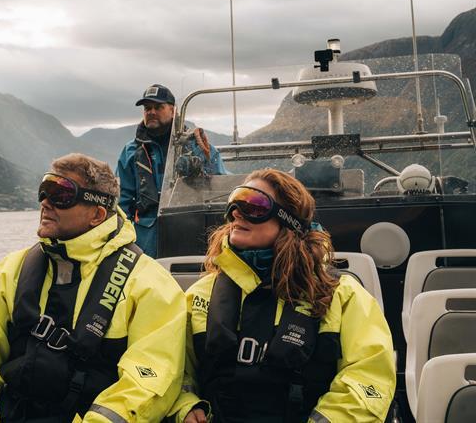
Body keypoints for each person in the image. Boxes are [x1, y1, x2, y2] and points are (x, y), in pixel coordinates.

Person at [0, 153, 187, 422]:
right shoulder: (12, 271)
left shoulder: (151, 285)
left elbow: (146, 381)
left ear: (97, 214)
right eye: (44, 190)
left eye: (62, 195)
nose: (46, 202)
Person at [170, 168, 396, 423]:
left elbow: (370, 376)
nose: (236, 213)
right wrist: (185, 406)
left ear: (289, 221)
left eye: (254, 205)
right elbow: (174, 372)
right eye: (234, 203)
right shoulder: (199, 295)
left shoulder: (343, 295)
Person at [117, 84, 227, 257]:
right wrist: (124, 241)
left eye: (158, 107)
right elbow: (122, 201)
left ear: (173, 110)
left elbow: (221, 187)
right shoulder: (130, 152)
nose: (151, 112)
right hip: (144, 240)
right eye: (147, 108)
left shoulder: (200, 146)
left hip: (192, 228)